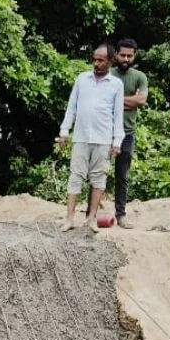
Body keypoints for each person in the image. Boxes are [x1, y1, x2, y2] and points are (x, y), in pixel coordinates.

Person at [57, 43, 124, 232]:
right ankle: (69, 218)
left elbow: (118, 116)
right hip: (81, 136)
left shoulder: (116, 85)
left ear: (110, 62)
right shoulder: (82, 79)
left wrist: (117, 142)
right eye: (94, 59)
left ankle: (91, 219)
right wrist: (64, 132)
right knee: (75, 176)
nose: (96, 63)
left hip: (103, 139)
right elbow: (71, 108)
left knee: (98, 179)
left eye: (101, 60)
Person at [108, 38, 149, 228]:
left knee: (122, 176)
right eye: (122, 55)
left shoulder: (139, 76)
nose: (125, 58)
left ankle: (121, 215)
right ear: (116, 55)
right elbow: (102, 101)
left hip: (127, 133)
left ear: (134, 56)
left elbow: (141, 100)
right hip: (105, 132)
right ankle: (91, 213)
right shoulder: (107, 74)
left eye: (129, 55)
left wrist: (116, 99)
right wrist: (129, 100)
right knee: (97, 172)